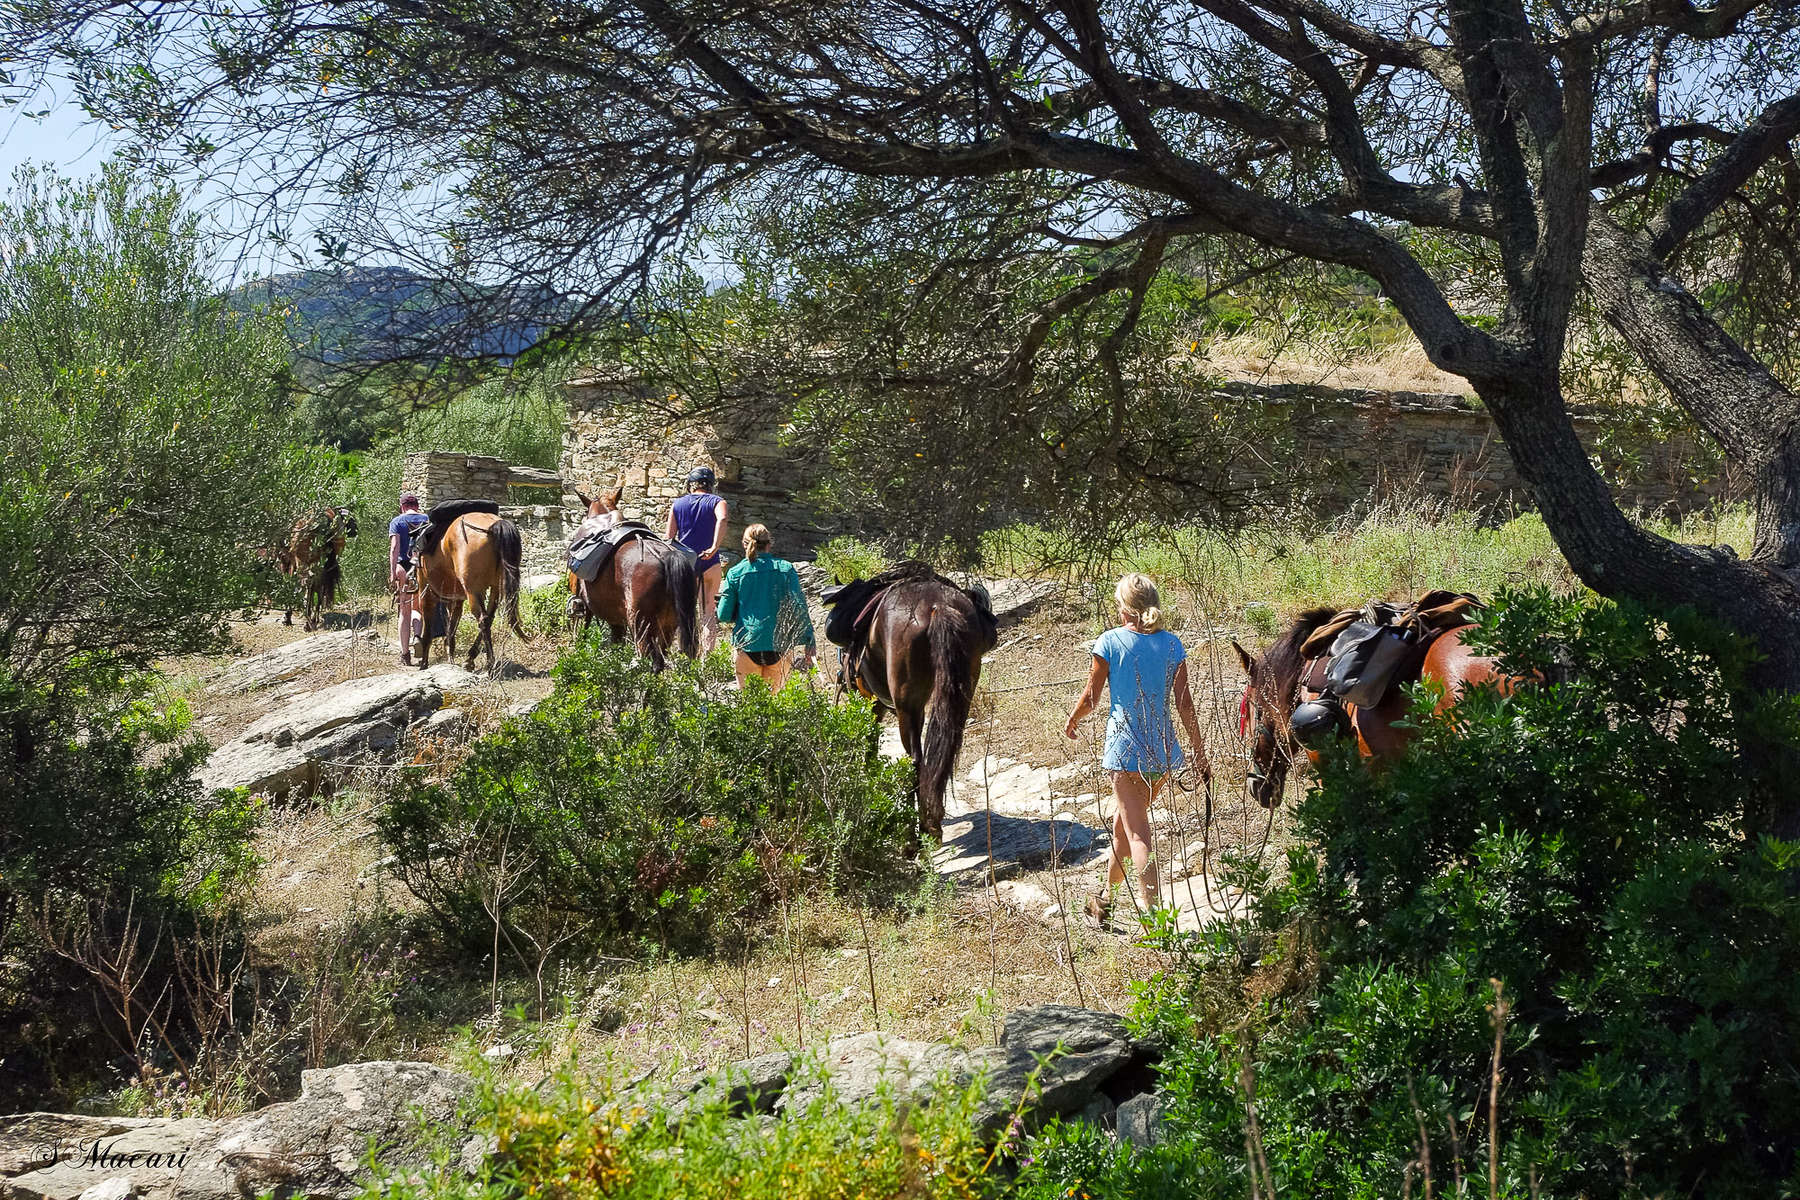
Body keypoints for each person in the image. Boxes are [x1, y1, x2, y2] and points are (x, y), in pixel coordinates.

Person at [1063, 573, 1211, 924]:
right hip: (1162, 753)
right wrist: (1199, 751)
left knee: (1138, 834)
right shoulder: (1173, 644)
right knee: (1123, 828)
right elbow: (1185, 705)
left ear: (1123, 608)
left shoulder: (1109, 642)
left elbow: (1091, 698)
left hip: (1125, 752)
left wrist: (1073, 718)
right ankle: (1105, 899)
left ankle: (1156, 918)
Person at [716, 524, 816, 689]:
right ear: (769, 543)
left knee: (749, 705)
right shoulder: (786, 569)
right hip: (780, 646)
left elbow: (724, 615)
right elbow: (799, 606)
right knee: (773, 705)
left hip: (747, 644)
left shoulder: (735, 572)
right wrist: (809, 640)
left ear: (744, 544)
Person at [667, 466, 728, 652]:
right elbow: (722, 519)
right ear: (711, 485)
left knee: (683, 608)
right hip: (710, 562)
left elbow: (669, 538)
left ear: (690, 485)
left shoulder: (677, 504)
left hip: (685, 563)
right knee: (708, 608)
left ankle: (683, 651)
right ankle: (707, 656)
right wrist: (714, 547)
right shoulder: (718, 502)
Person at [388, 493, 430, 665]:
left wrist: (392, 572)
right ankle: (417, 637)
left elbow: (394, 549)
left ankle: (405, 654)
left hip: (403, 568)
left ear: (402, 506)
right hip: (421, 567)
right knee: (418, 609)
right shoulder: (426, 519)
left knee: (404, 611)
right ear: (417, 505)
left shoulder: (397, 522)